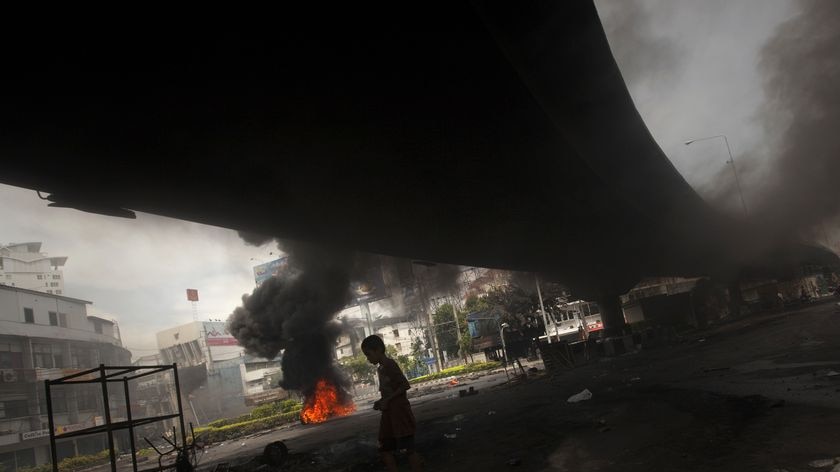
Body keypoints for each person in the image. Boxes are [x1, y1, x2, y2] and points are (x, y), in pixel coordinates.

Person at [361, 335, 422, 472]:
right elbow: (389, 391)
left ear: (378, 350)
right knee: (385, 448)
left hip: (399, 413)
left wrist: (387, 400)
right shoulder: (381, 368)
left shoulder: (390, 365)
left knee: (409, 449)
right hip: (389, 414)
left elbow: (404, 385)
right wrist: (381, 401)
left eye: (368, 354)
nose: (368, 358)